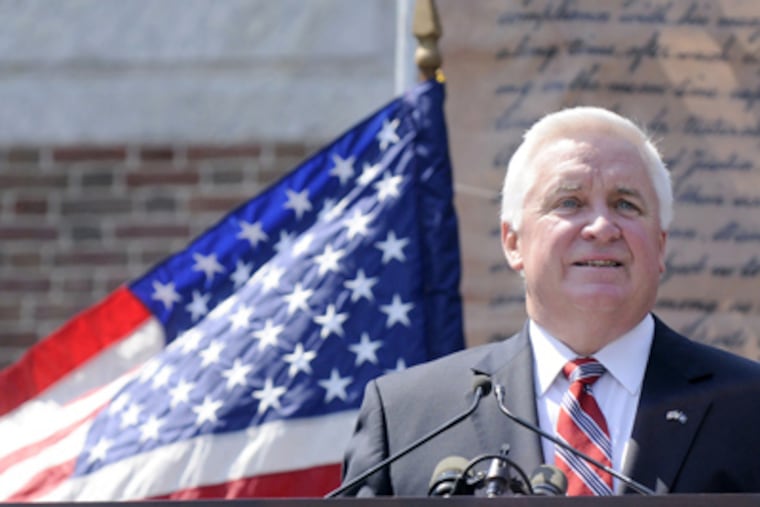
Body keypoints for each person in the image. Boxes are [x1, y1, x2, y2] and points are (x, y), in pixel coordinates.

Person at [338, 106, 760, 496]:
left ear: (661, 245)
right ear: (513, 242)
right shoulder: (407, 418)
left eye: (625, 204)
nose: (601, 226)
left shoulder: (747, 405)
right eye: (569, 202)